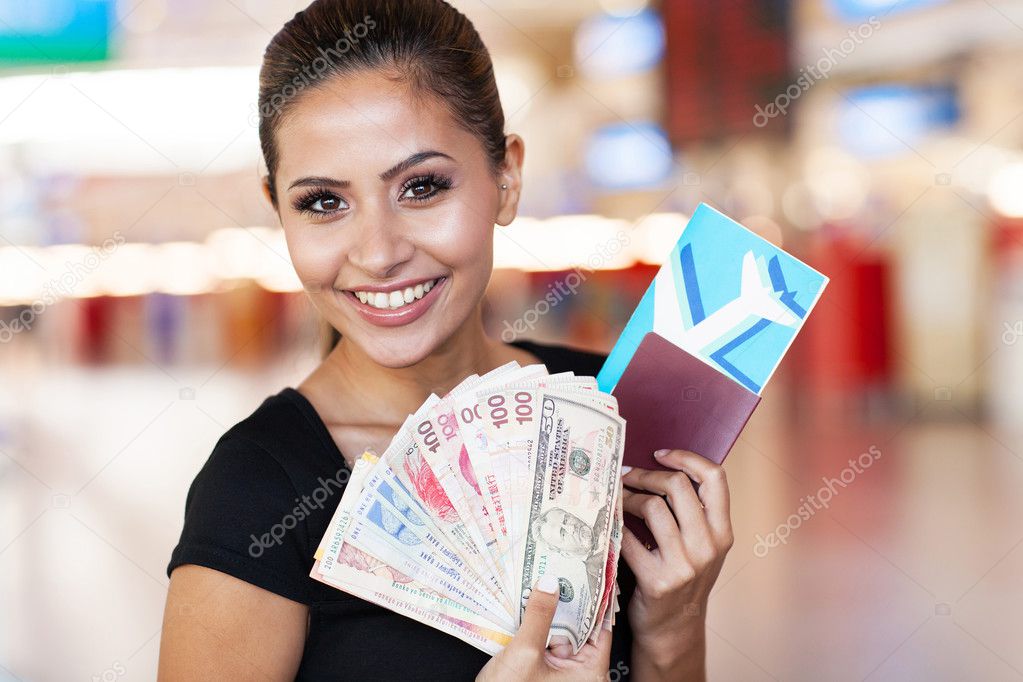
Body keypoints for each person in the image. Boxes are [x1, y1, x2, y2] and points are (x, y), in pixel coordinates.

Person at [157, 1, 733, 679]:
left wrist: (671, 628)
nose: (377, 253)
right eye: (323, 202)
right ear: (278, 209)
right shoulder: (258, 490)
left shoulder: (610, 409)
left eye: (422, 187)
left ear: (506, 178)